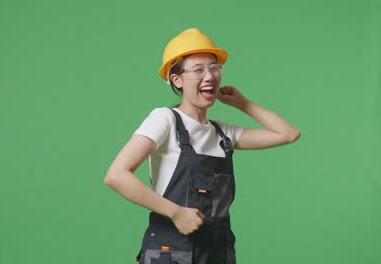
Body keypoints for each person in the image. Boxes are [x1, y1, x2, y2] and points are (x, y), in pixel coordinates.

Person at [104, 28, 300, 264]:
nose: (210, 76)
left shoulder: (223, 133)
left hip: (217, 253)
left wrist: (242, 103)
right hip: (172, 252)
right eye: (198, 70)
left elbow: (288, 134)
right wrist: (175, 212)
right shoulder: (165, 119)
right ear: (176, 79)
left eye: (214, 68)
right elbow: (116, 175)